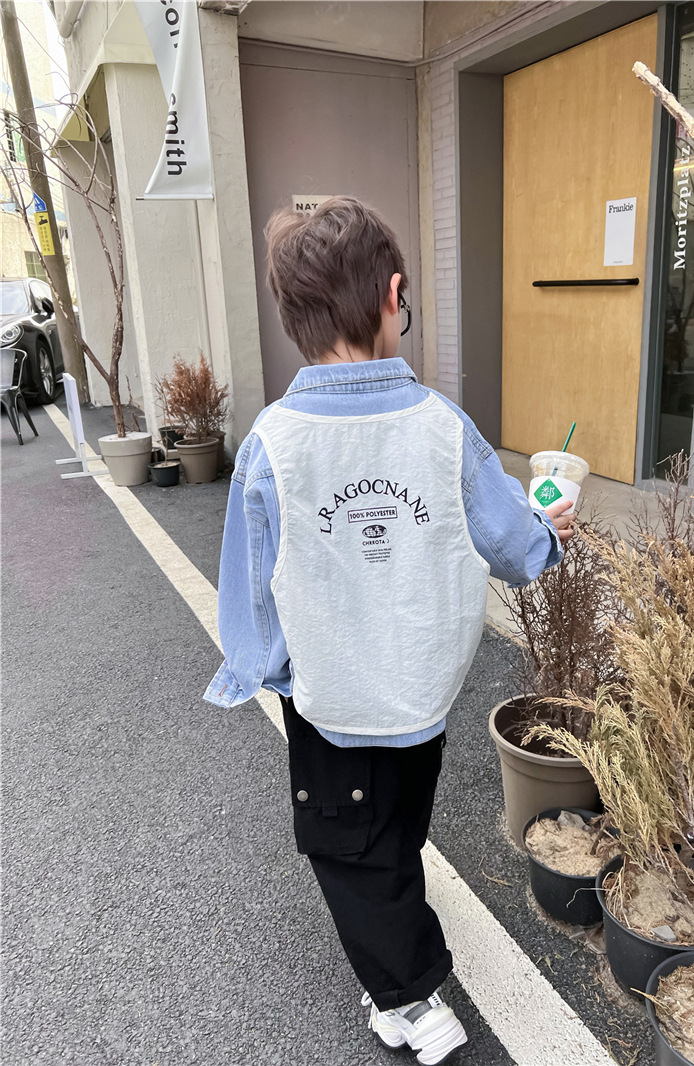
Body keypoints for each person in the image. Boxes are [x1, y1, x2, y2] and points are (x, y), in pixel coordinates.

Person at [204, 197, 575, 1064]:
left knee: (346, 847)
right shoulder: (443, 428)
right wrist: (550, 529)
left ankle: (412, 1000)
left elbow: (251, 587)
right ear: (394, 295)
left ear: (291, 317)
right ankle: (403, 952)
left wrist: (262, 669)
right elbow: (517, 549)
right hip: (422, 692)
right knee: (398, 822)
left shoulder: (273, 444)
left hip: (331, 697)